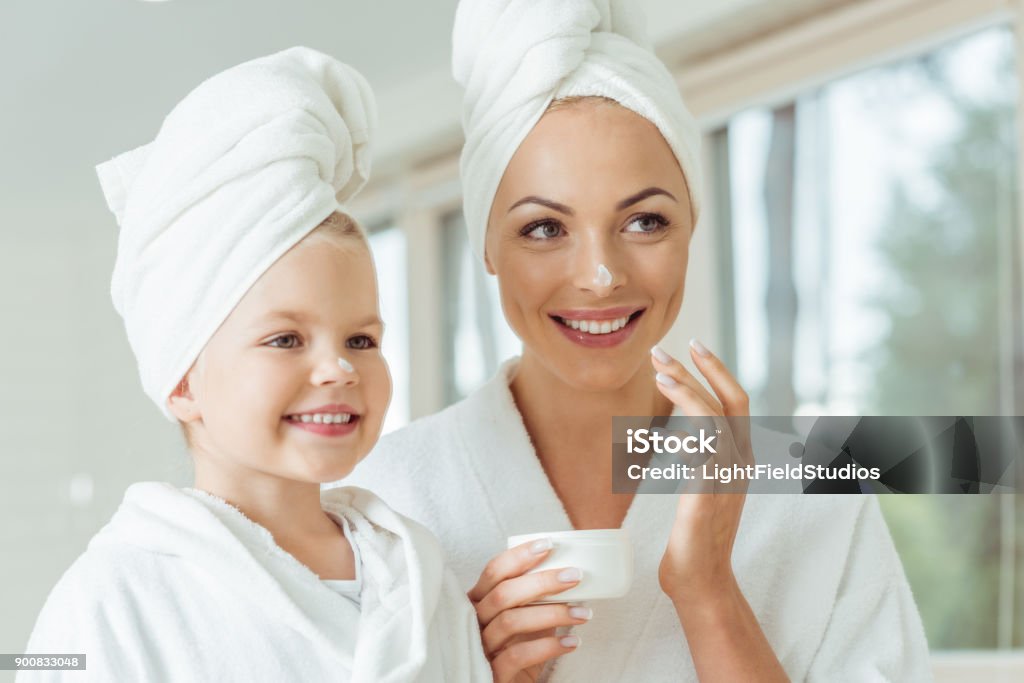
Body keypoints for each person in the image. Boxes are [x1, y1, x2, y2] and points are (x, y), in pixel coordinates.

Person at [343, 2, 932, 681]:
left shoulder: (816, 486)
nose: (599, 276)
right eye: (543, 228)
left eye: (646, 221)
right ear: (488, 247)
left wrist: (708, 591)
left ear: (691, 231)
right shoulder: (385, 501)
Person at [21, 47, 489, 683]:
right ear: (183, 380)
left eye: (360, 340)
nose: (339, 370)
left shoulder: (418, 574)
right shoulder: (113, 598)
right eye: (286, 340)